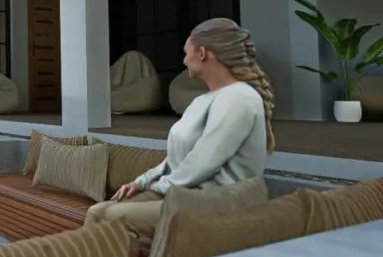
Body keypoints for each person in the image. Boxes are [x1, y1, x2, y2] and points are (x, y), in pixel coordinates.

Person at [84, 18, 275, 237]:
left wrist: (158, 187)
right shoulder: (200, 101)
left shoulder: (239, 98)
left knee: (109, 218)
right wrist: (142, 182)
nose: (184, 61)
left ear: (202, 53)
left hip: (219, 199)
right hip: (187, 190)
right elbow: (177, 158)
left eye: (186, 53)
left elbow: (204, 162)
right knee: (97, 211)